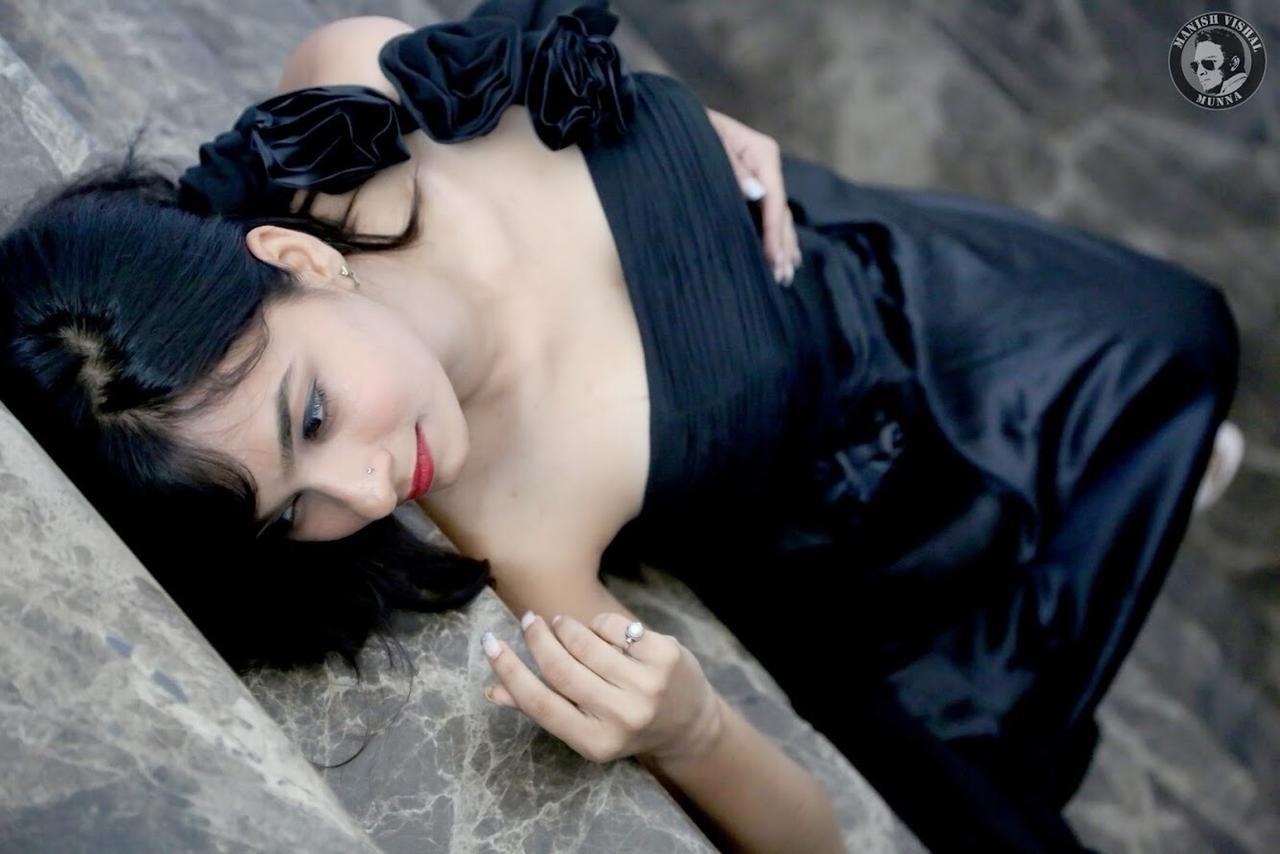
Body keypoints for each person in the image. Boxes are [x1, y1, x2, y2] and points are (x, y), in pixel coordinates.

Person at [0, 1, 1240, 851]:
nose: (369, 492)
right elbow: (813, 839)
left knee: (1178, 326)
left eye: (313, 413)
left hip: (867, 253)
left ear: (296, 257)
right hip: (885, 500)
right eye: (292, 512)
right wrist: (689, 725)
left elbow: (569, 78)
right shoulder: (518, 522)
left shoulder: (363, 85)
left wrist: (680, 134)